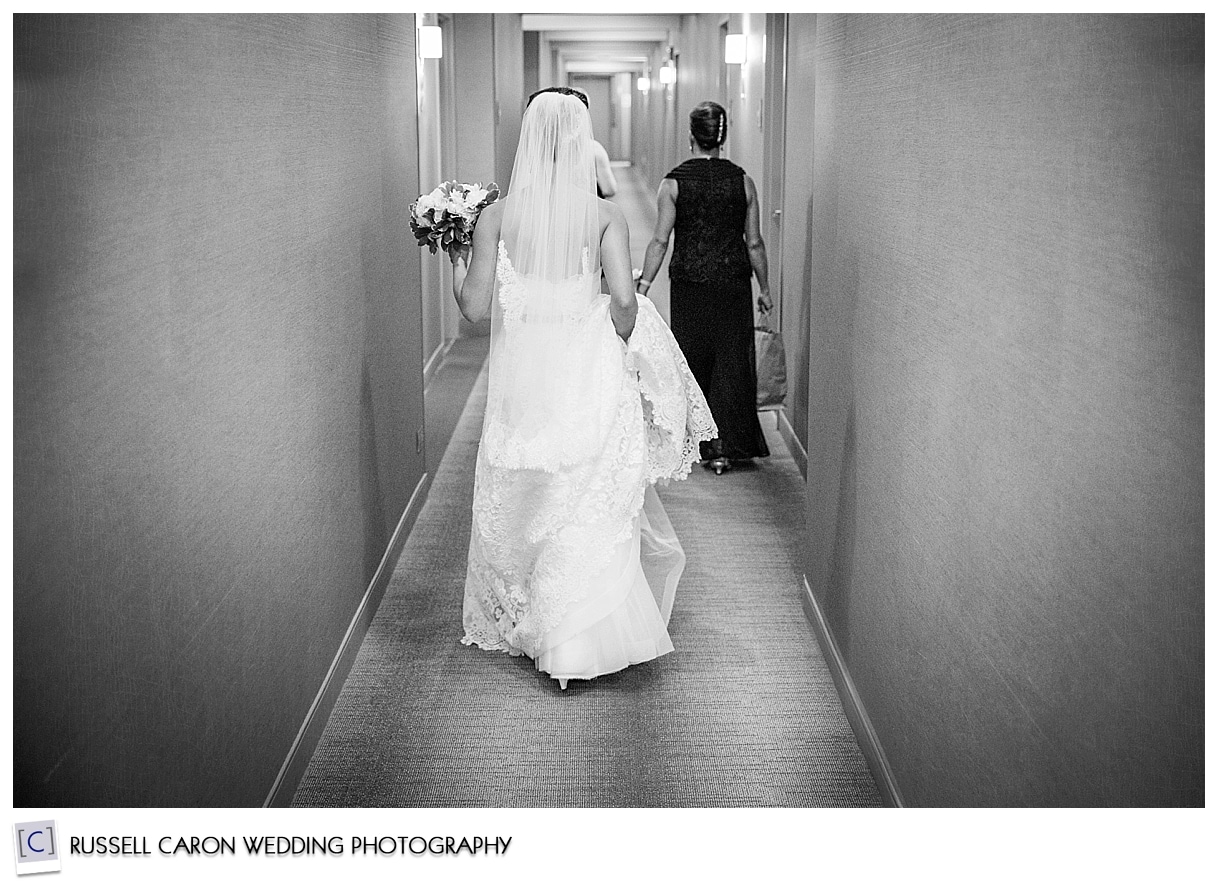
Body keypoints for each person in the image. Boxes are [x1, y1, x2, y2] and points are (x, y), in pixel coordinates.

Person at [450, 87, 716, 690]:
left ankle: (532, 616)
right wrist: (613, 332)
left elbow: (473, 308)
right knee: (585, 487)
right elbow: (624, 302)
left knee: (529, 488)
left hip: (523, 377)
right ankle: (579, 634)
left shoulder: (495, 216)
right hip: (584, 367)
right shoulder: (604, 215)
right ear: (579, 141)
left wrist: (453, 258)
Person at [636, 101, 773, 475]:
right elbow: (755, 242)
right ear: (722, 138)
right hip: (732, 281)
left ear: (691, 136)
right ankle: (727, 447)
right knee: (732, 358)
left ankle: (700, 440)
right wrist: (765, 287)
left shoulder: (674, 182)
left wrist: (644, 284)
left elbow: (660, 241)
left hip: (690, 282)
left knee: (693, 356)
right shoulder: (742, 181)